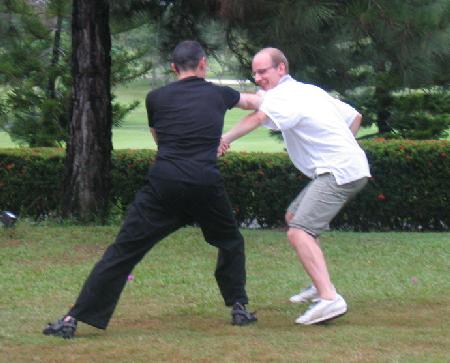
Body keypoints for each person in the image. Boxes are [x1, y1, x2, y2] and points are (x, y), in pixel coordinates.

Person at [43, 40, 259, 339]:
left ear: (173, 68)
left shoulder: (155, 98)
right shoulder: (219, 94)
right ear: (203, 65)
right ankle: (239, 307)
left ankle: (71, 319)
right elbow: (255, 103)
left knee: (122, 252)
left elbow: (161, 140)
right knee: (230, 241)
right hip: (204, 185)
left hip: (164, 185)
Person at [220, 47, 371, 325]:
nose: (258, 78)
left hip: (338, 171)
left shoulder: (282, 96)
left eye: (263, 71)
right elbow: (355, 117)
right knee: (294, 218)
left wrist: (223, 140)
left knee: (299, 232)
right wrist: (342, 149)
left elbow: (256, 117)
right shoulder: (308, 90)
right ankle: (319, 285)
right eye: (254, 73)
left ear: (281, 69)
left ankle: (329, 298)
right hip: (346, 167)